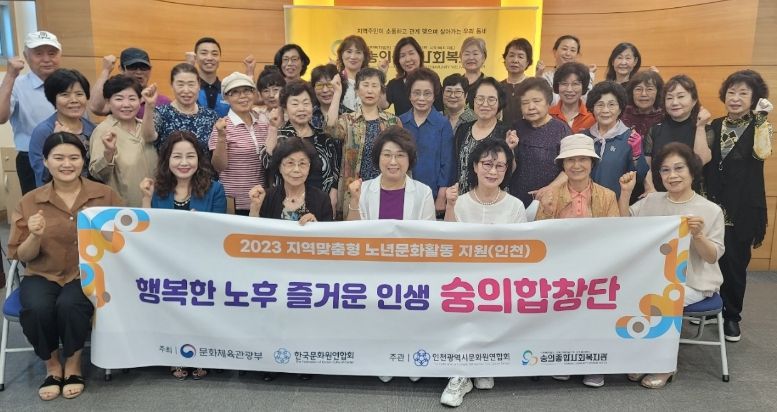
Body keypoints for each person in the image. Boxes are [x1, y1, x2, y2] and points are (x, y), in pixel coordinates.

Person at [8, 132, 124, 400]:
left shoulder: (104, 195)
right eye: (58, 158)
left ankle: (73, 365)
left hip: (86, 273)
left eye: (74, 157)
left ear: (83, 160)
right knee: (37, 308)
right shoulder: (30, 201)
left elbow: (124, 239)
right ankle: (52, 366)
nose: (67, 164)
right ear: (45, 161)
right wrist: (35, 235)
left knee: (71, 305)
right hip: (42, 273)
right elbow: (21, 254)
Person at [619, 142, 725, 389]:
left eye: (679, 168)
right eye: (665, 170)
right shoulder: (651, 201)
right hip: (655, 277)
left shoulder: (710, 210)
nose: (672, 175)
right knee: (627, 293)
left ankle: (664, 364)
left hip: (695, 281)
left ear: (692, 171)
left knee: (662, 299)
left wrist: (698, 236)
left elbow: (712, 257)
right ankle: (642, 356)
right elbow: (624, 226)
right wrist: (625, 193)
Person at [440, 138, 526, 407]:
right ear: (475, 166)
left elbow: (520, 253)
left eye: (500, 166)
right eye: (487, 164)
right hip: (461, 281)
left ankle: (484, 362)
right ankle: (460, 374)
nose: (493, 171)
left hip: (499, 282)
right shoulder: (460, 202)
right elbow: (447, 246)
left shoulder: (515, 206)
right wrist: (450, 206)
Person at [702, 70, 773, 342]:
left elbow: (763, 152)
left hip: (743, 206)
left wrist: (762, 118)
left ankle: (732, 316)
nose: (735, 98)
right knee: (711, 260)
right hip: (714, 204)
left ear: (754, 98)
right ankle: (712, 309)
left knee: (735, 263)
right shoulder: (715, 125)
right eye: (732, 92)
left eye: (743, 93)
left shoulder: (760, 126)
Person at [326, 67, 400, 215]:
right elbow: (331, 129)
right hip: (354, 189)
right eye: (365, 85)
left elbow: (402, 156)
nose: (370, 90)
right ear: (357, 90)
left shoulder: (393, 121)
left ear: (381, 90)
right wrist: (337, 93)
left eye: (374, 85)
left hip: (386, 188)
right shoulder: (348, 120)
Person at [265, 80, 342, 215]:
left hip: (321, 203)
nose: (301, 108)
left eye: (306, 103)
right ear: (285, 108)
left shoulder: (323, 137)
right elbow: (267, 163)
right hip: (286, 204)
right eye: (295, 104)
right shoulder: (279, 135)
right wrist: (273, 128)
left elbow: (334, 170)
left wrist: (333, 196)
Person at [0, 31, 62, 194]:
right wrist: (10, 75)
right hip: (31, 159)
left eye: (52, 53)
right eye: (38, 54)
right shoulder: (16, 84)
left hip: (69, 155)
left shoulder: (69, 82)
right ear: (26, 57)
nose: (46, 59)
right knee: (38, 206)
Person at [88, 75, 158, 207]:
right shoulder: (103, 131)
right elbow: (97, 174)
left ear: (140, 100)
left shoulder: (147, 127)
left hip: (157, 205)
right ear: (108, 102)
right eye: (119, 99)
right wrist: (109, 152)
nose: (126, 104)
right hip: (123, 209)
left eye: (132, 98)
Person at [209, 72, 268, 215]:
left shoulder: (263, 124)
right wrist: (222, 137)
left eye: (247, 90)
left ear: (254, 93)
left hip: (262, 199)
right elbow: (218, 166)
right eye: (235, 92)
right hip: (233, 202)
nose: (242, 96)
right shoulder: (222, 126)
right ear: (226, 98)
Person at [346, 125, 435, 220]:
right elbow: (354, 229)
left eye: (400, 155)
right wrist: (355, 200)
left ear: (409, 159)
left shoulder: (424, 193)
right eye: (387, 155)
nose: (393, 162)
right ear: (378, 157)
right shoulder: (362, 190)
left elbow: (428, 229)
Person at [399, 68, 455, 214]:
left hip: (432, 195)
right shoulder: (400, 122)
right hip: (402, 192)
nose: (421, 98)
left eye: (427, 93)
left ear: (435, 95)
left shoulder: (443, 124)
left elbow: (447, 163)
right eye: (416, 93)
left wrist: (441, 196)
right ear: (409, 95)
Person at [509, 77, 572, 207]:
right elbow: (508, 166)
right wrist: (509, 149)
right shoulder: (516, 128)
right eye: (525, 103)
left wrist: (550, 188)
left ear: (548, 102)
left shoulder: (561, 129)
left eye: (537, 101)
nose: (531, 107)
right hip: (517, 199)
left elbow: (570, 167)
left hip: (551, 199)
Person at [643, 75, 711, 194]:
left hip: (692, 195)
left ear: (694, 101)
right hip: (658, 194)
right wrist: (650, 189)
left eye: (681, 96)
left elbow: (701, 160)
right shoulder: (655, 129)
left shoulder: (704, 128)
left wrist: (700, 126)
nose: (674, 102)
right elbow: (646, 166)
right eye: (669, 98)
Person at [30, 69, 96, 187]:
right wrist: (55, 143)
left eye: (79, 94)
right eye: (65, 95)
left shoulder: (93, 129)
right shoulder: (43, 132)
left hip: (90, 194)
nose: (74, 100)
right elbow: (43, 176)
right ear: (53, 99)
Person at [582, 81, 648, 198]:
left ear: (620, 108)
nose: (605, 110)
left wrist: (637, 156)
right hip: (584, 204)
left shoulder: (630, 138)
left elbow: (640, 178)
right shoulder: (584, 137)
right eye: (600, 105)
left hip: (616, 204)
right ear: (592, 108)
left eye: (611, 104)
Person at [455, 77, 518, 194]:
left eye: (491, 99)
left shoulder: (506, 131)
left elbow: (511, 170)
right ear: (473, 100)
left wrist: (510, 149)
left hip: (493, 198)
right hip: (464, 198)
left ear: (499, 102)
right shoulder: (463, 129)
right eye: (480, 99)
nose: (485, 104)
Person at [249, 137, 333, 222]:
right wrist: (255, 208)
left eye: (302, 163)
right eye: (290, 163)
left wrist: (316, 225)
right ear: (279, 167)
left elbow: (328, 230)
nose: (296, 169)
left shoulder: (322, 199)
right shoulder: (267, 197)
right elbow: (255, 229)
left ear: (309, 167)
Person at [536, 133, 618, 220]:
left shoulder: (608, 197)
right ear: (563, 164)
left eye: (583, 159)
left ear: (592, 163)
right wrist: (547, 211)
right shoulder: (550, 197)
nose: (576, 166)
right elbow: (540, 228)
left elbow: (614, 227)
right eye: (570, 160)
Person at [140, 130, 226, 213]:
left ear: (198, 159)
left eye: (190, 156)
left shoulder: (215, 190)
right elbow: (146, 222)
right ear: (167, 160)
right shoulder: (155, 189)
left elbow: (218, 222)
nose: (184, 163)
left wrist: (198, 221)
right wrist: (147, 198)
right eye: (177, 156)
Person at [153, 63, 219, 153]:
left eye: (191, 84)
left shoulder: (211, 116)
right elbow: (148, 137)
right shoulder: (160, 113)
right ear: (172, 85)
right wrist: (149, 106)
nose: (186, 90)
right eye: (180, 85)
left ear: (199, 85)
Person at [88, 47, 171, 118]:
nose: (139, 72)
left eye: (144, 67)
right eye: (133, 67)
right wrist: (106, 70)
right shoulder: (117, 98)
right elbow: (95, 108)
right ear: (121, 69)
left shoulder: (163, 102)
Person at [384, 37, 443, 116]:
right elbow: (382, 105)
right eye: (402, 56)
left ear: (419, 55)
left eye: (411, 53)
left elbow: (440, 111)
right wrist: (382, 74)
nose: (408, 59)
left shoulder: (432, 79)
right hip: (402, 124)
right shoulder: (394, 84)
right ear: (398, 61)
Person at [535, 35, 595, 104]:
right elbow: (548, 102)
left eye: (572, 50)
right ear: (555, 51)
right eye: (564, 49)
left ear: (577, 55)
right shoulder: (546, 77)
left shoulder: (583, 77)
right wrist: (538, 77)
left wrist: (588, 75)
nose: (568, 53)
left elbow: (586, 101)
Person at [188, 37, 230, 116]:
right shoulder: (188, 89)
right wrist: (188, 67)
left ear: (220, 58)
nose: (209, 58)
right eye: (204, 53)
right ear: (195, 58)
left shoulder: (227, 90)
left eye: (214, 54)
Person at [549, 62, 595, 133]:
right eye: (564, 83)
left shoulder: (593, 117)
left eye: (575, 84)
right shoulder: (548, 116)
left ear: (583, 87)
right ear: (557, 86)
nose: (569, 89)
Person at [621, 71, 665, 138]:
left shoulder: (664, 118)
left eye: (649, 89)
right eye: (638, 89)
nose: (643, 94)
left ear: (658, 92)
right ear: (632, 92)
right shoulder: (622, 116)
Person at [500, 38, 533, 127]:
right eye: (511, 55)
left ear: (527, 62)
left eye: (520, 57)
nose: (515, 60)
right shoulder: (497, 87)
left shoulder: (533, 86)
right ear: (505, 59)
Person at [310, 64, 351, 130]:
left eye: (330, 84)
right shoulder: (307, 115)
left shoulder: (351, 116)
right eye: (319, 85)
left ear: (340, 87)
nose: (325, 90)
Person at [337, 35, 371, 111]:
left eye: (358, 52)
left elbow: (381, 106)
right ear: (341, 55)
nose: (353, 57)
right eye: (349, 52)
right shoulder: (336, 80)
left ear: (364, 56)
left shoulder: (371, 81)